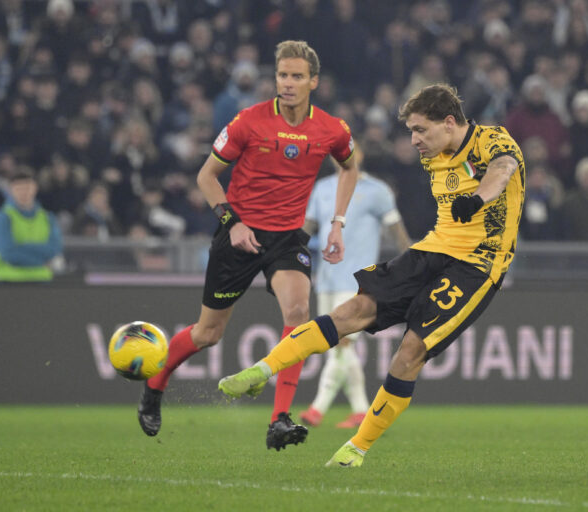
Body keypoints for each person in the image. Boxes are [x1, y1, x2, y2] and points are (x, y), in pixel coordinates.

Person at [219, 83, 525, 467]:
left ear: (449, 122)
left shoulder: (492, 140)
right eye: (410, 131)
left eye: (420, 130)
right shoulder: (433, 157)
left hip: (478, 264)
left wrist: (478, 198)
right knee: (353, 311)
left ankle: (355, 449)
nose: (413, 140)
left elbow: (503, 169)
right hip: (432, 250)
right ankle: (261, 370)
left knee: (410, 352)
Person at [137, 40, 360, 451]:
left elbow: (349, 166)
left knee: (298, 312)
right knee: (208, 333)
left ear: (314, 81)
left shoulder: (331, 129)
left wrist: (337, 224)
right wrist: (232, 222)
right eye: (281, 75)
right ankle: (155, 385)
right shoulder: (249, 122)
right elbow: (206, 177)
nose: (287, 83)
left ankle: (279, 419)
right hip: (239, 232)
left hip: (287, 237)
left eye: (296, 76)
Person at [299, 149, 411, 429]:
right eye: (336, 153)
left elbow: (397, 232)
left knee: (342, 342)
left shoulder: (377, 190)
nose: (342, 157)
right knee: (335, 348)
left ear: (359, 154)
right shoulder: (322, 189)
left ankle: (317, 408)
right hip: (325, 279)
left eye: (349, 150)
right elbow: (309, 227)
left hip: (358, 281)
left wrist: (411, 269)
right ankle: (362, 410)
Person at [0, 168, 63, 282]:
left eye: (27, 187)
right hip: (9, 281)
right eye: (19, 188)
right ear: (11, 190)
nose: (24, 192)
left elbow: (54, 248)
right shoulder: (2, 217)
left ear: (35, 188)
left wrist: (21, 247)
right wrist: (40, 262)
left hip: (42, 280)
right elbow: (8, 253)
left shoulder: (47, 217)